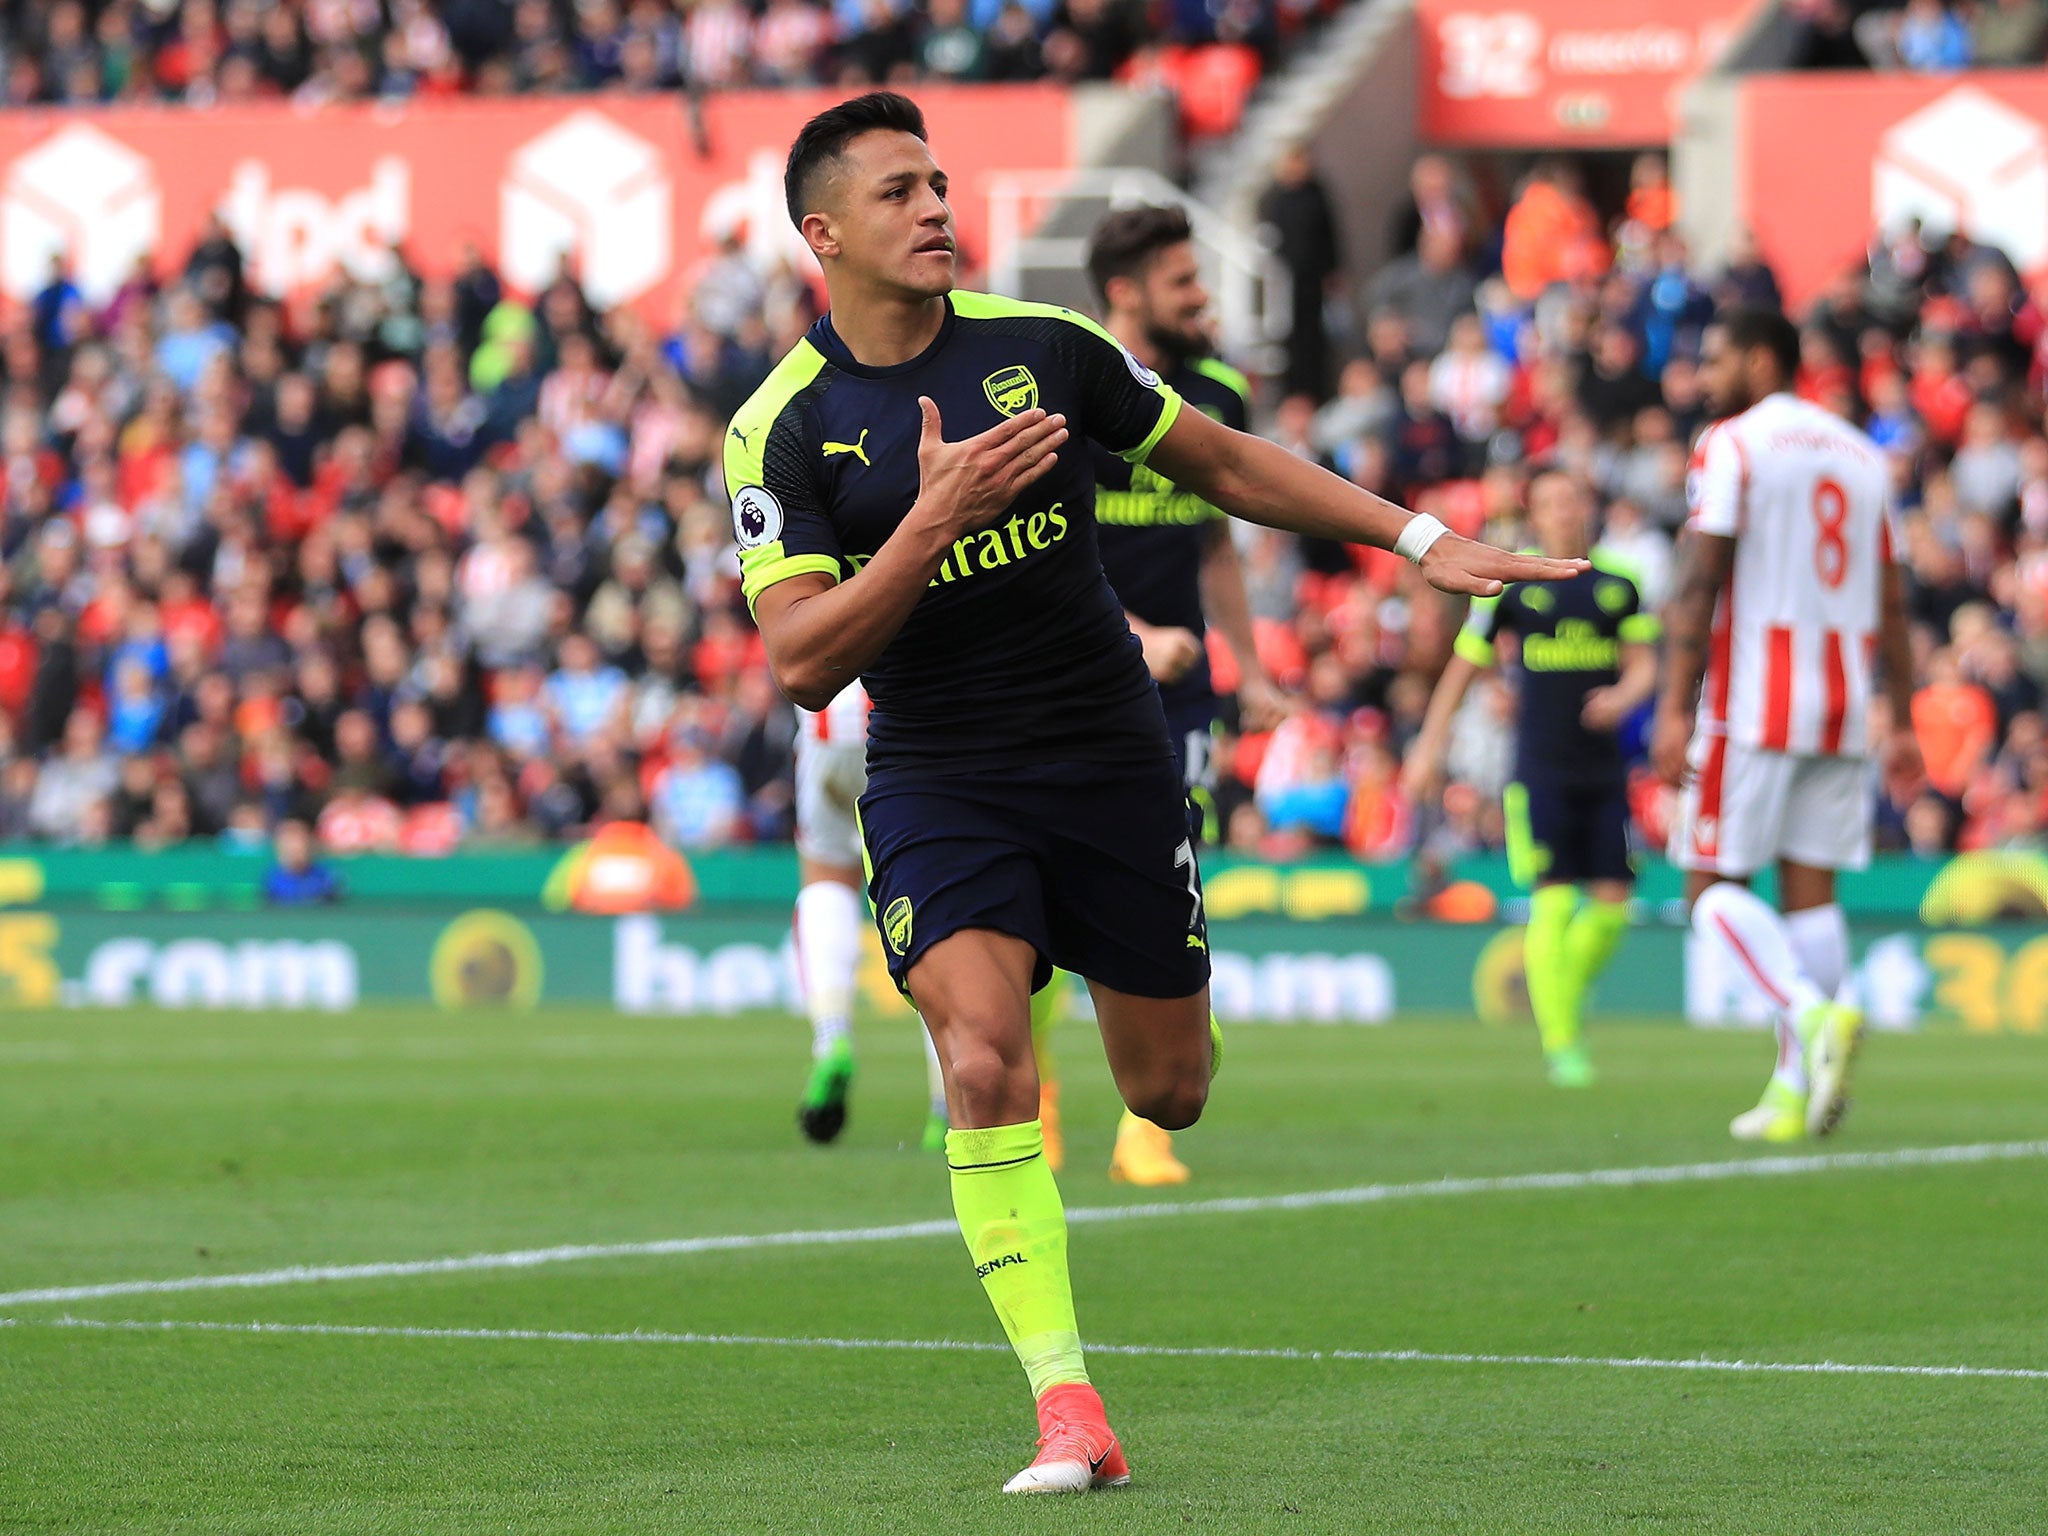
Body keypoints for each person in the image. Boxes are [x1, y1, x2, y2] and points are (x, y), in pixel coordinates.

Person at [730, 92, 1579, 1496]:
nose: (936, 206)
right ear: (824, 235)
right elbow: (806, 662)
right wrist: (931, 521)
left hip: (1113, 758)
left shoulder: (1048, 352)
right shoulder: (782, 430)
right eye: (898, 192)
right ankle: (1070, 1410)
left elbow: (1228, 463)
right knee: (986, 1062)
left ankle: (1114, 979)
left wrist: (1416, 536)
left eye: (940, 182)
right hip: (943, 773)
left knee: (1167, 1093)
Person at [1014, 202, 1287, 1187]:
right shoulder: (1064, 391)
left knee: (1169, 888)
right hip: (1072, 680)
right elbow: (1043, 550)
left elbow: (1213, 538)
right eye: (1183, 283)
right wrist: (1133, 635)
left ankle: (1147, 1128)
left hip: (1177, 699)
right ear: (1124, 295)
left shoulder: (1214, 392)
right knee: (1038, 902)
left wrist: (1247, 664)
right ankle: (1035, 1099)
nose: (1202, 297)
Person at [1651, 308, 1923, 1144]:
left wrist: (1671, 703)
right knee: (1811, 892)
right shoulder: (1862, 452)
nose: (1704, 375)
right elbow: (1891, 594)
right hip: (1842, 698)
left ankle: (1812, 1016)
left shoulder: (1734, 444)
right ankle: (1790, 1087)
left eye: (1717, 358)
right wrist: (1902, 715)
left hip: (1753, 697)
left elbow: (1702, 579)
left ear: (1763, 359)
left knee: (1708, 890)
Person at [1404, 470, 1659, 1085]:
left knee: (1612, 909)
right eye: (1548, 502)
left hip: (1603, 769)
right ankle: (1564, 1042)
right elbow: (1465, 665)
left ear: (1586, 505)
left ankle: (1559, 994)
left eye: (1571, 497)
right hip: (1538, 771)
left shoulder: (1619, 586)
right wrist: (1428, 746)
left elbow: (1645, 665)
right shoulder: (1509, 585)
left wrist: (1623, 698)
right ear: (1534, 516)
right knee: (1553, 899)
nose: (1561, 510)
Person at [788, 682, 875, 1143]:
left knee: (826, 879)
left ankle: (832, 1037)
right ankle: (947, 1099)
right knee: (932, 899)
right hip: (910, 715)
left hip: (828, 712)